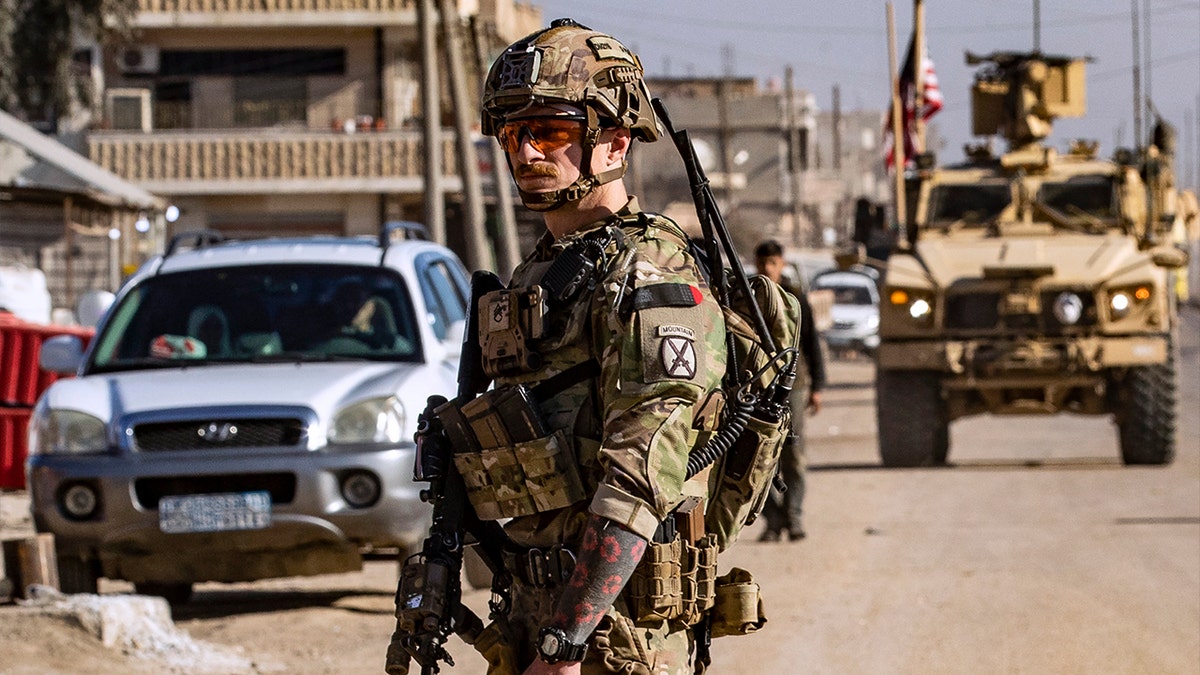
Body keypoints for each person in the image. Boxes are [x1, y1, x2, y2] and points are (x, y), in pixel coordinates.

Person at [464, 18, 726, 675]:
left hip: (615, 636)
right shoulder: (539, 272)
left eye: (550, 131)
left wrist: (566, 643)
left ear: (615, 140)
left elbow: (641, 476)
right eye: (512, 134)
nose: (526, 152)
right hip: (536, 616)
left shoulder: (649, 277)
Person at [753, 239, 826, 542]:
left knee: (794, 454)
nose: (767, 269)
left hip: (792, 385)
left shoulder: (795, 298)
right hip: (757, 387)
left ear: (782, 264)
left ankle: (794, 516)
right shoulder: (749, 294)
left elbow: (811, 343)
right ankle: (773, 520)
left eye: (772, 263)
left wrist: (817, 387)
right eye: (762, 263)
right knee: (758, 457)